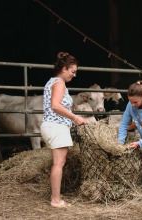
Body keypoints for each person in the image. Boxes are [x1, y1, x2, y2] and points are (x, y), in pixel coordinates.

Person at [40, 52, 86, 208]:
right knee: (58, 163)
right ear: (64, 68)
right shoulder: (59, 83)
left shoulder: (52, 82)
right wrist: (75, 118)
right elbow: (55, 105)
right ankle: (55, 200)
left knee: (58, 163)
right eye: (72, 71)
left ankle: (56, 195)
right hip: (56, 126)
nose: (74, 75)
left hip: (54, 125)